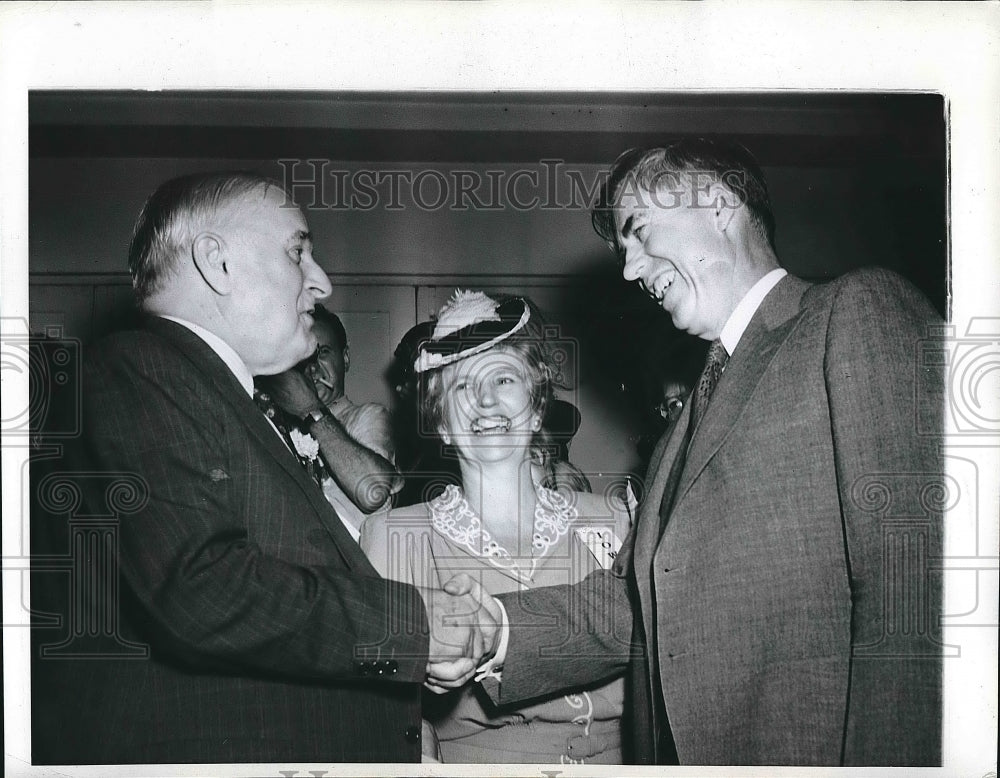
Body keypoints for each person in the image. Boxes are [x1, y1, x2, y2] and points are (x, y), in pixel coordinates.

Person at [483, 139, 944, 766]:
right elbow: (635, 598)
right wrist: (491, 628)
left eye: (639, 232)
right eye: (624, 249)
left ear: (720, 203)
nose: (630, 270)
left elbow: (913, 582)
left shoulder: (854, 312)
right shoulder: (686, 418)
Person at [30, 171, 499, 764]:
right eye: (298, 250)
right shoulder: (141, 367)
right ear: (217, 263)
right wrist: (413, 624)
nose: (321, 282)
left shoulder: (208, 388)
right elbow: (202, 588)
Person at [362, 290, 630, 763]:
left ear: (538, 401)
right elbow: (377, 703)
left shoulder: (615, 520)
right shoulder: (392, 538)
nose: (486, 400)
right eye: (462, 387)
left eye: (503, 378)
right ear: (441, 423)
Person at [260, 304, 401, 538]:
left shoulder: (370, 416)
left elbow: (372, 492)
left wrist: (311, 409)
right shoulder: (279, 425)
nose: (312, 367)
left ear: (345, 358)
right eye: (302, 356)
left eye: (323, 352)